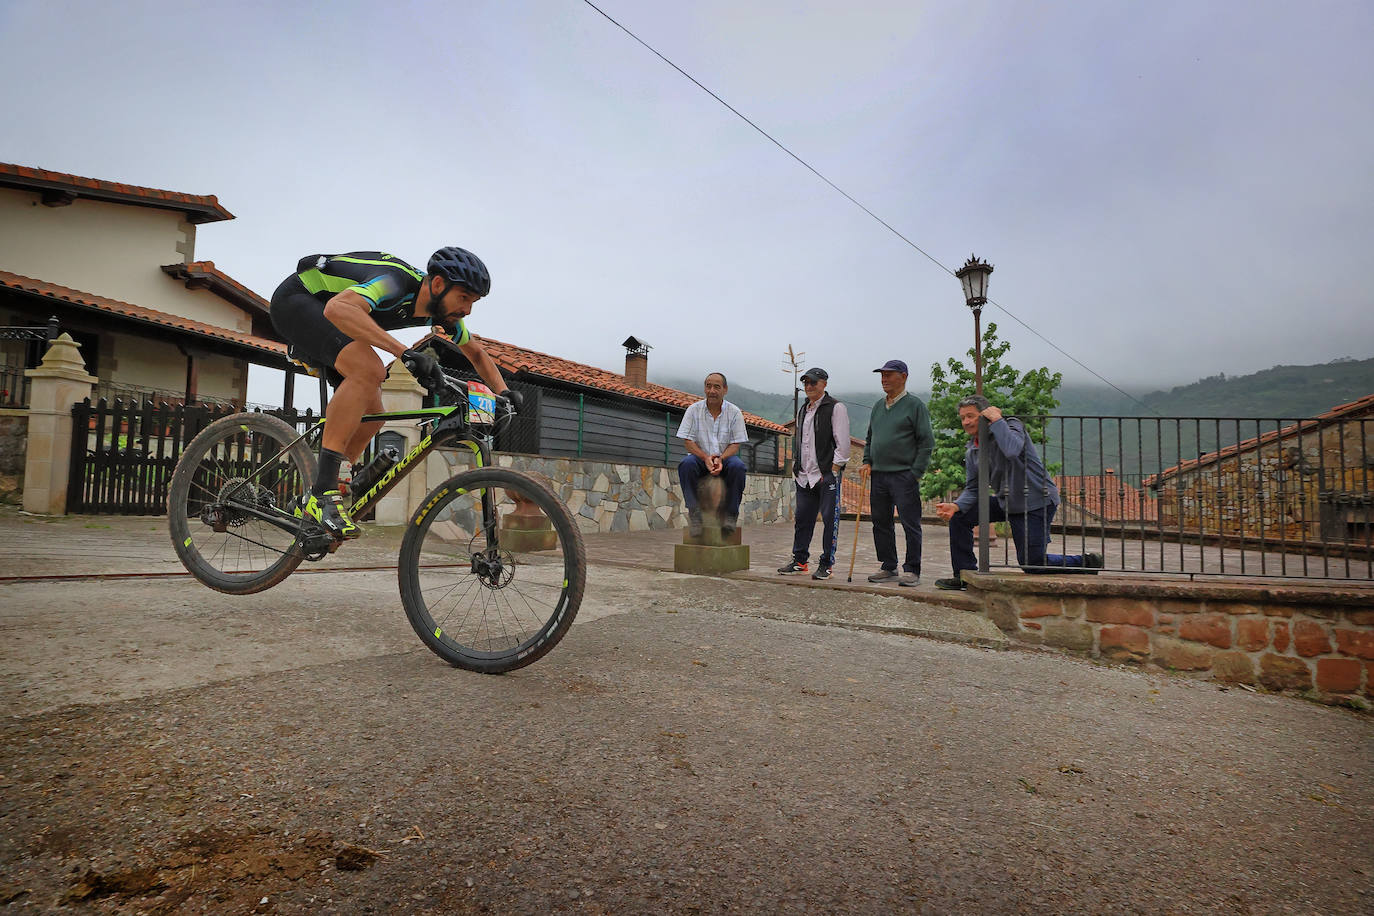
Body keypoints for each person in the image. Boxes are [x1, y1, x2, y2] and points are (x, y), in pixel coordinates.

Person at [269, 248, 521, 540]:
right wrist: (404, 352)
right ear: (438, 285)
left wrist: (504, 392)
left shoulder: (445, 316)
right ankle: (322, 495)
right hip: (298, 302)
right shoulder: (393, 282)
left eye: (473, 302)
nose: (468, 310)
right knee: (370, 370)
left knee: (375, 416)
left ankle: (323, 489)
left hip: (337, 322)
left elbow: (476, 354)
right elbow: (338, 309)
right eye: (464, 298)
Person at [933, 395, 1103, 589]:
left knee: (1033, 564)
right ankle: (964, 575)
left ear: (986, 414)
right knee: (960, 515)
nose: (966, 422)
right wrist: (955, 505)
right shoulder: (972, 449)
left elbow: (1012, 449)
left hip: (1037, 501)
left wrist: (997, 420)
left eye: (971, 416)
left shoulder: (1012, 425)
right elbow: (974, 488)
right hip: (1007, 501)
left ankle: (1086, 562)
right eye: (962, 417)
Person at [861, 359, 934, 587]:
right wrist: (866, 461)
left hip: (904, 475)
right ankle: (888, 565)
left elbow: (926, 442)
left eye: (889, 374)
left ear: (903, 377)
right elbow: (870, 438)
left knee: (910, 522)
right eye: (882, 375)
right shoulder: (877, 406)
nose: (884, 378)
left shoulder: (915, 405)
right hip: (879, 475)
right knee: (880, 522)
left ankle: (912, 569)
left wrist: (916, 473)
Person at [778, 367, 850, 580]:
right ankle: (800, 561)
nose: (809, 386)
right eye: (806, 383)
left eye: (813, 382)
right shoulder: (803, 409)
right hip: (804, 476)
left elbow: (843, 444)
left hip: (826, 475)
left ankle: (827, 564)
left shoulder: (836, 407)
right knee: (803, 519)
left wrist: (834, 470)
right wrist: (798, 468)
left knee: (830, 519)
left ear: (824, 384)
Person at [676, 372, 749, 537]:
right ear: (704, 389)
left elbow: (735, 444)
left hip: (725, 459)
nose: (712, 390)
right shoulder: (693, 410)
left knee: (739, 467)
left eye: (717, 386)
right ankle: (695, 515)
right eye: (708, 386)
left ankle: (731, 515)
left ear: (725, 389)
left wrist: (720, 458)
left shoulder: (734, 412)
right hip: (700, 459)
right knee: (686, 464)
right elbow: (688, 441)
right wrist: (705, 457)